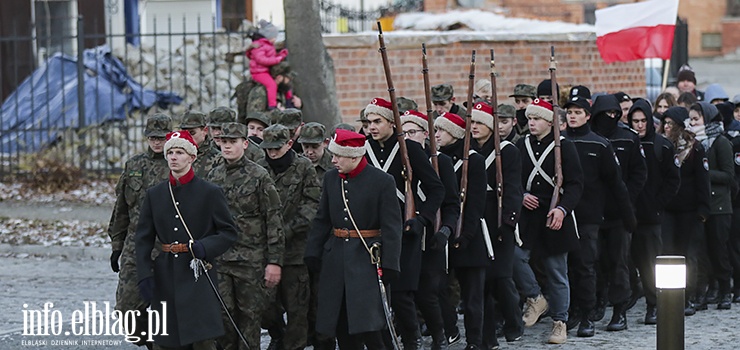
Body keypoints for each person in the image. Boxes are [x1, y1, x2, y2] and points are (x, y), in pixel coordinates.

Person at [135, 130, 238, 349]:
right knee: (166, 339)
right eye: (170, 152)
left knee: (201, 339)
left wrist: (206, 246)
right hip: (165, 274)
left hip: (197, 274)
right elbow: (143, 238)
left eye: (179, 152)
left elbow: (229, 232)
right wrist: (144, 274)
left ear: (191, 157)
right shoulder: (155, 194)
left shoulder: (210, 192)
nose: (173, 157)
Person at [304, 128, 402, 350]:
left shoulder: (382, 181)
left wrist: (390, 263)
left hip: (367, 258)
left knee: (369, 326)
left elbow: (391, 227)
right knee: (340, 323)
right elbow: (322, 219)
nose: (333, 160)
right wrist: (313, 251)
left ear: (355, 156)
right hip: (336, 258)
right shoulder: (331, 179)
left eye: (338, 155)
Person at [364, 97, 445, 350]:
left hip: (405, 229)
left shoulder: (410, 149)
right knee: (375, 295)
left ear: (391, 122)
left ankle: (413, 339)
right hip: (372, 230)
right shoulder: (363, 149)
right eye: (369, 122)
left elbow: (436, 190)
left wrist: (421, 219)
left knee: (402, 294)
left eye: (378, 121)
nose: (372, 127)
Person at [205, 122, 286, 350]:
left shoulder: (259, 176)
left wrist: (274, 262)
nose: (227, 147)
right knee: (223, 316)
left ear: (245, 143)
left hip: (251, 260)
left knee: (250, 318)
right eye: (224, 142)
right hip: (221, 260)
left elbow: (273, 220)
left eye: (233, 142)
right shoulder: (213, 176)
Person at [563, 95, 635, 337]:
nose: (572, 116)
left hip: (591, 215)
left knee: (590, 265)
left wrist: (628, 216)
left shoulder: (599, 144)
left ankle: (591, 314)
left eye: (577, 112)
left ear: (587, 116)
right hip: (563, 214)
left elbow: (616, 183)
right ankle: (571, 311)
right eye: (569, 112)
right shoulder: (559, 142)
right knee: (567, 267)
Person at [515, 99, 583, 344]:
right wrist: (522, 195)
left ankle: (559, 322)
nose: (531, 123)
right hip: (529, 214)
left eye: (537, 119)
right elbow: (514, 179)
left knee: (556, 272)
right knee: (515, 257)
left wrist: (563, 210)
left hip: (554, 212)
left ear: (550, 122)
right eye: (530, 119)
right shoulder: (521, 145)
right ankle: (535, 297)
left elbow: (575, 184)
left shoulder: (564, 146)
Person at [108, 114, 173, 348]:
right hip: (135, 248)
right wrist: (117, 246)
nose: (157, 142)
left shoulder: (177, 164)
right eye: (153, 137)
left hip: (167, 249)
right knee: (127, 311)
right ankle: (147, 341)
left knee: (164, 312)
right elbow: (121, 209)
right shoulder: (134, 165)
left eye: (162, 138)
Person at [400, 109, 461, 350]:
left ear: (425, 134)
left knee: (430, 292)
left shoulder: (440, 161)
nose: (407, 137)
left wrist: (446, 229)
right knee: (405, 292)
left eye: (412, 132)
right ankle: (411, 336)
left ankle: (442, 333)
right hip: (407, 234)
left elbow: (451, 202)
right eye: (402, 133)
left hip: (432, 235)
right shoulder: (399, 161)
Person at [257, 124, 322, 350]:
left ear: (288, 144)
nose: (272, 153)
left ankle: (294, 345)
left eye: (276, 148)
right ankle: (277, 334)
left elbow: (312, 204)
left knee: (297, 307)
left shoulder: (303, 167)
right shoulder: (260, 168)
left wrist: (287, 229)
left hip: (296, 249)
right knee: (266, 305)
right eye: (268, 149)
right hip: (266, 248)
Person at [588, 94, 647, 330]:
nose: (610, 118)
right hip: (593, 211)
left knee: (619, 262)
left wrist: (626, 198)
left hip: (620, 212)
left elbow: (639, 174)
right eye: (606, 115)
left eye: (615, 114)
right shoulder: (590, 138)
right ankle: (598, 300)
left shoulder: (628, 138)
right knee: (594, 260)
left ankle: (619, 309)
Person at [469, 101, 525, 346]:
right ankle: (488, 335)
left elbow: (513, 189)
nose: (474, 127)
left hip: (498, 217)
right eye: (472, 123)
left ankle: (514, 321)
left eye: (479, 122)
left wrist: (509, 222)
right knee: (481, 283)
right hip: (476, 217)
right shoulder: (467, 150)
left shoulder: (507, 151)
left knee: (501, 277)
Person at [434, 111, 489, 350]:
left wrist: (466, 235)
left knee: (472, 295)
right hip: (442, 232)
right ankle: (450, 329)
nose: (436, 135)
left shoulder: (473, 160)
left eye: (441, 131)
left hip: (469, 234)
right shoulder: (434, 159)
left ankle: (475, 340)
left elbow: (476, 201)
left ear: (455, 134)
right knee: (436, 288)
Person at [626, 99, 681, 324]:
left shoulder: (662, 146)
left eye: (642, 121)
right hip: (628, 214)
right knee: (626, 261)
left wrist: (658, 204)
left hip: (651, 215)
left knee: (650, 263)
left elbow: (672, 180)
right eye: (635, 121)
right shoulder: (626, 144)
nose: (639, 125)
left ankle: (653, 304)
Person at [660, 107, 711, 315]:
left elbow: (703, 180)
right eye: (665, 123)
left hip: (690, 211)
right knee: (669, 254)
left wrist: (703, 209)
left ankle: (689, 295)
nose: (666, 127)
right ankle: (671, 296)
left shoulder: (695, 149)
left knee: (688, 255)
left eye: (671, 124)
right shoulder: (663, 146)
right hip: (669, 209)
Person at [688, 101, 735, 310]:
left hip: (719, 205)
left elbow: (728, 175)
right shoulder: (692, 142)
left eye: (696, 119)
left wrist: (704, 172)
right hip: (701, 205)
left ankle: (725, 288)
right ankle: (705, 290)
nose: (693, 123)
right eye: (691, 119)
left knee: (719, 249)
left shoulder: (721, 142)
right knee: (702, 251)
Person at [235, 61, 301, 121]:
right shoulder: (260, 91)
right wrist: (278, 114)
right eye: (288, 79)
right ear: (279, 77)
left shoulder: (282, 91)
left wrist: (298, 105)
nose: (289, 82)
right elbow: (254, 117)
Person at [246, 20, 289, 110]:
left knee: (284, 81)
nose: (275, 39)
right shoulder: (260, 46)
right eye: (274, 37)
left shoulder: (268, 45)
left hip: (265, 71)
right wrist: (277, 59)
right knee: (271, 85)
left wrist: (281, 55)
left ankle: (289, 99)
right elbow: (262, 60)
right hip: (258, 72)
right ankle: (272, 105)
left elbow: (270, 57)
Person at [179, 110, 223, 178]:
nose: (187, 137)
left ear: (205, 131)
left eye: (192, 133)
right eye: (184, 133)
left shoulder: (218, 159)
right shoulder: (176, 155)